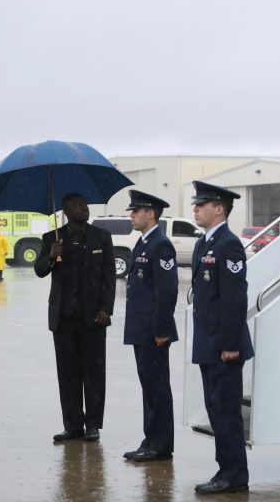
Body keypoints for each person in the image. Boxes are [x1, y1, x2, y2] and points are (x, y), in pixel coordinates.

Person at [35, 192, 115, 443]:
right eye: (77, 206)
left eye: (85, 204)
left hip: (93, 319)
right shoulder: (51, 238)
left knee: (93, 373)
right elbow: (39, 270)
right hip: (64, 318)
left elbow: (109, 277)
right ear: (66, 211)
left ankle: (92, 425)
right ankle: (72, 425)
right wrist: (50, 255)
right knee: (67, 374)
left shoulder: (102, 237)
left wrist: (106, 309)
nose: (84, 208)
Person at [190, 180, 253, 496]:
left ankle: (233, 474)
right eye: (196, 204)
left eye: (202, 204)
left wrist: (230, 344)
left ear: (219, 208)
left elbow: (234, 299)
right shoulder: (205, 243)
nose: (196, 208)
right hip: (208, 343)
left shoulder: (228, 244)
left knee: (226, 411)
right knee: (215, 409)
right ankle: (226, 470)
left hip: (223, 347)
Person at [122, 190, 178, 463]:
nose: (131, 214)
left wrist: (161, 330)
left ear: (151, 213)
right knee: (149, 387)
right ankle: (151, 440)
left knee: (157, 387)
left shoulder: (160, 244)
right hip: (141, 329)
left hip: (154, 331)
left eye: (136, 210)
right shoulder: (143, 243)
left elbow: (167, 291)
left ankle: (160, 444)